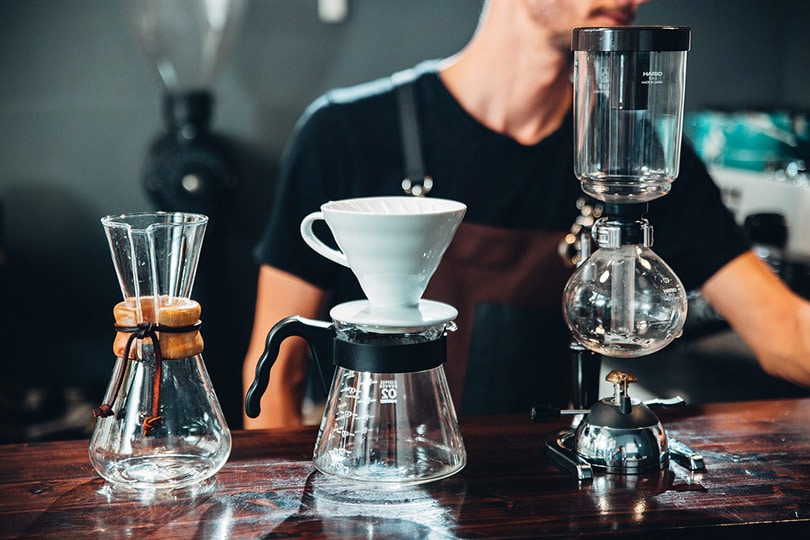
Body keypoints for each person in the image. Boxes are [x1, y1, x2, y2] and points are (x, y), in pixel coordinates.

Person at [242, 0, 810, 429]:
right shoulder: (345, 134)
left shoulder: (631, 155)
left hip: (549, 496)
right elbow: (277, 376)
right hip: (386, 492)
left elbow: (782, 330)